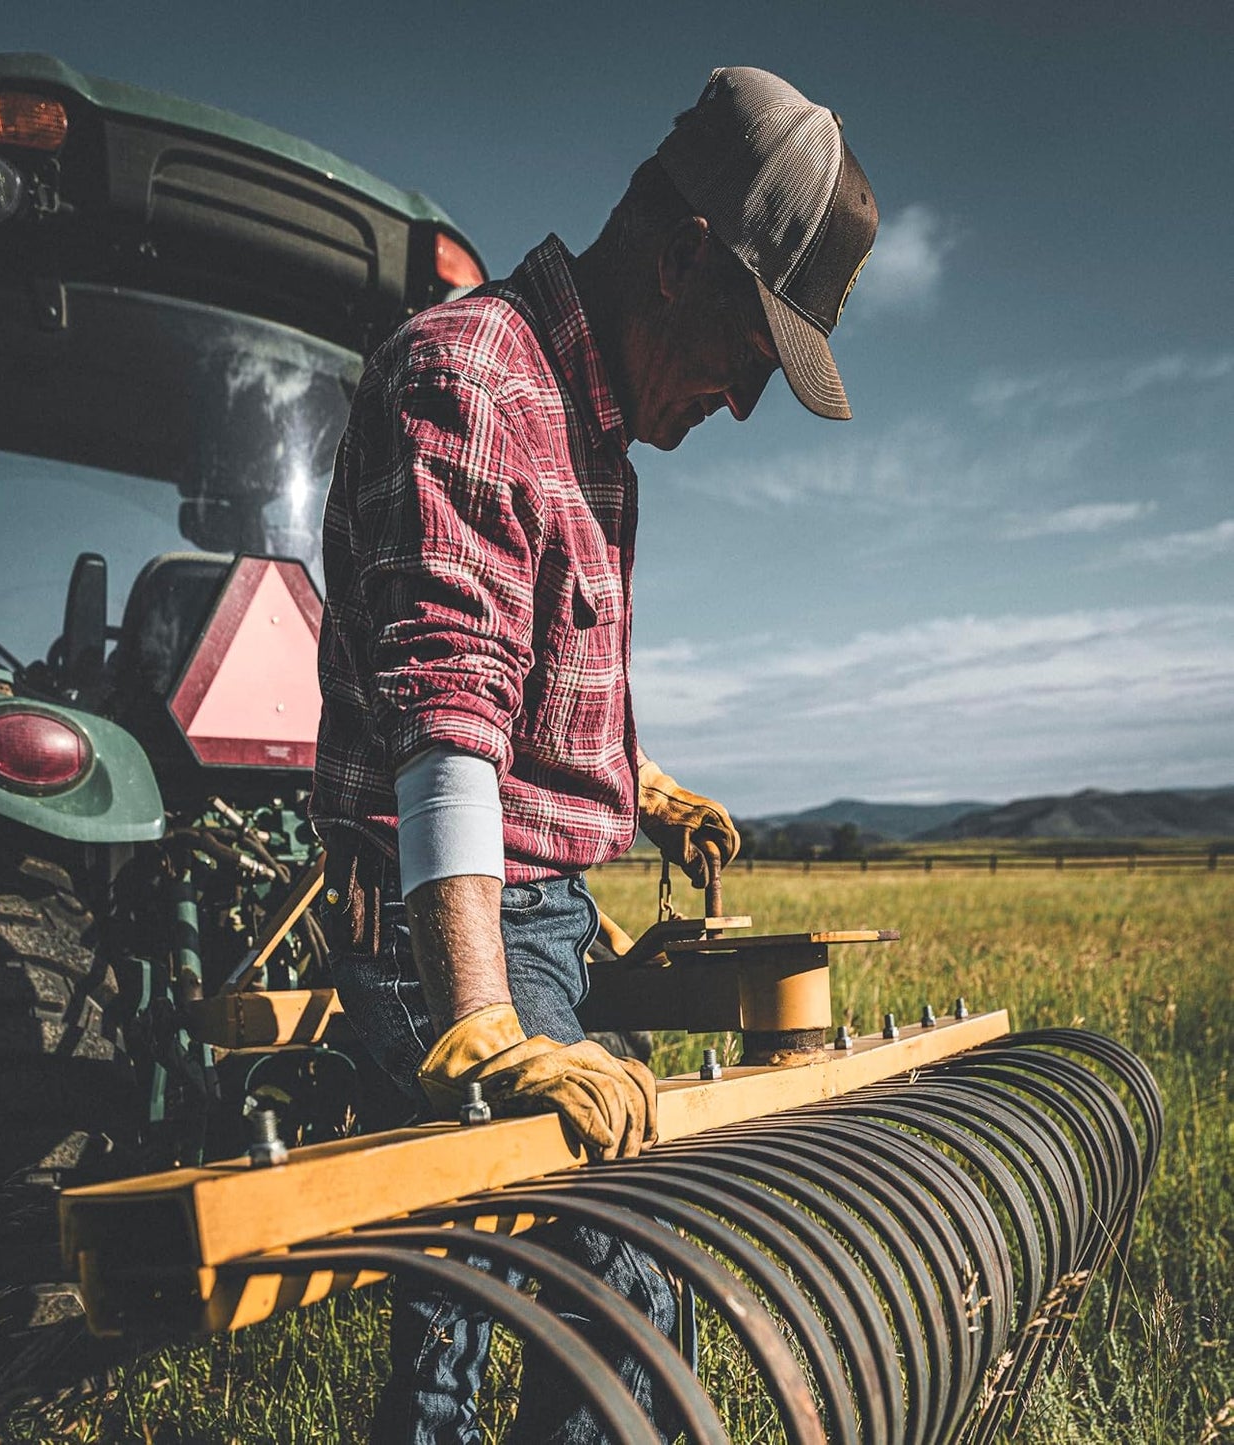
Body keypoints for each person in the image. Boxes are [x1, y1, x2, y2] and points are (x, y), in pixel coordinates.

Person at [312, 65, 879, 1444]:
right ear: (685, 259)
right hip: (440, 925)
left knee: (459, 1280)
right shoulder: (471, 381)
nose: (743, 405)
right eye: (752, 354)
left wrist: (637, 782)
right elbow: (447, 716)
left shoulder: (592, 431)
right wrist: (483, 1017)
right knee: (618, 1280)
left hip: (538, 912)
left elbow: (530, 669)